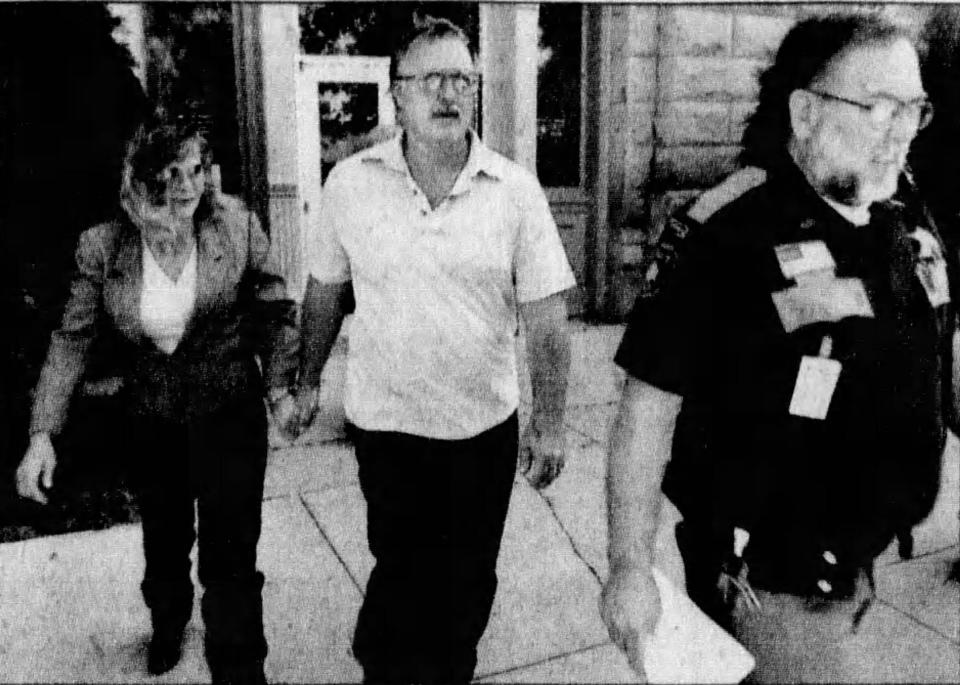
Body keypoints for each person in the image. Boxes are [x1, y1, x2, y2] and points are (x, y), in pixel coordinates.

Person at [601, 13, 955, 683]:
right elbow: (647, 409)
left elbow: (941, 348)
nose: (901, 131)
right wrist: (628, 565)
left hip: (859, 567)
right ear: (804, 111)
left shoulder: (901, 212)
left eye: (913, 108)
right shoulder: (726, 232)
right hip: (773, 581)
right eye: (878, 106)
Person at [291, 17, 575, 684]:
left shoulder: (515, 191)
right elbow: (325, 293)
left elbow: (546, 316)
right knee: (402, 566)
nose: (449, 93)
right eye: (431, 79)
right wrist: (307, 383)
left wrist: (552, 420)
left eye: (463, 79)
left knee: (468, 580)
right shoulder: (351, 183)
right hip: (387, 425)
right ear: (398, 95)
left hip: (482, 428)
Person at [15, 122, 300, 684]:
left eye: (197, 169)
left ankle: (239, 668)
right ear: (142, 178)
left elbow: (273, 310)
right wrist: (41, 434)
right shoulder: (105, 246)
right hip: (152, 422)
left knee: (232, 556)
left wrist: (282, 390)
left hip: (228, 412)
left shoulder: (235, 228)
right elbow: (71, 338)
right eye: (173, 173)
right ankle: (169, 622)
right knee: (166, 545)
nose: (189, 186)